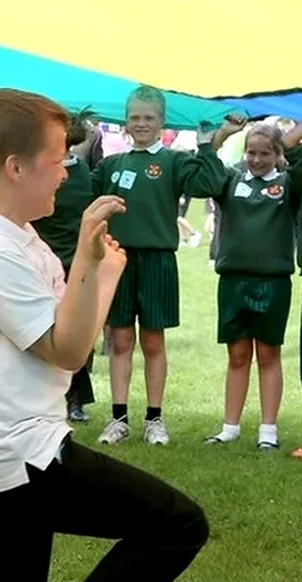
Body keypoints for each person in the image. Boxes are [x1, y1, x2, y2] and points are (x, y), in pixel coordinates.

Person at [0, 87, 209, 582]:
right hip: (17, 455)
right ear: (15, 167)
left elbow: (69, 331)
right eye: (57, 160)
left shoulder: (17, 239)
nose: (66, 171)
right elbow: (68, 350)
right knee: (176, 524)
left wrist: (101, 274)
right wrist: (86, 259)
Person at [91, 86, 231, 446]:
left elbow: (210, 183)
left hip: (157, 261)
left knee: (153, 340)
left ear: (162, 122)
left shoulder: (173, 161)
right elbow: (79, 193)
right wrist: (72, 149)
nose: (141, 124)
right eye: (135, 117)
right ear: (125, 121)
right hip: (118, 260)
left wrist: (207, 146)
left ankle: (154, 418)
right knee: (120, 339)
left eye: (149, 118)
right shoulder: (112, 165)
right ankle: (118, 417)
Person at [199, 120, 302, 451]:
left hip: (273, 283)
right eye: (251, 153)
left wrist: (293, 140)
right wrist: (217, 138)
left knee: (269, 354)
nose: (257, 160)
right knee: (237, 355)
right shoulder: (232, 180)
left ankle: (268, 430)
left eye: (265, 153)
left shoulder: (288, 184)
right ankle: (230, 427)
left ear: (277, 154)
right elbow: (205, 177)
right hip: (233, 281)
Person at [33, 110, 98, 423]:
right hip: (76, 262)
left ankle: (62, 397)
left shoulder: (47, 174)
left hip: (47, 262)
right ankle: (76, 400)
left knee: (49, 332)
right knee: (77, 332)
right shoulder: (84, 172)